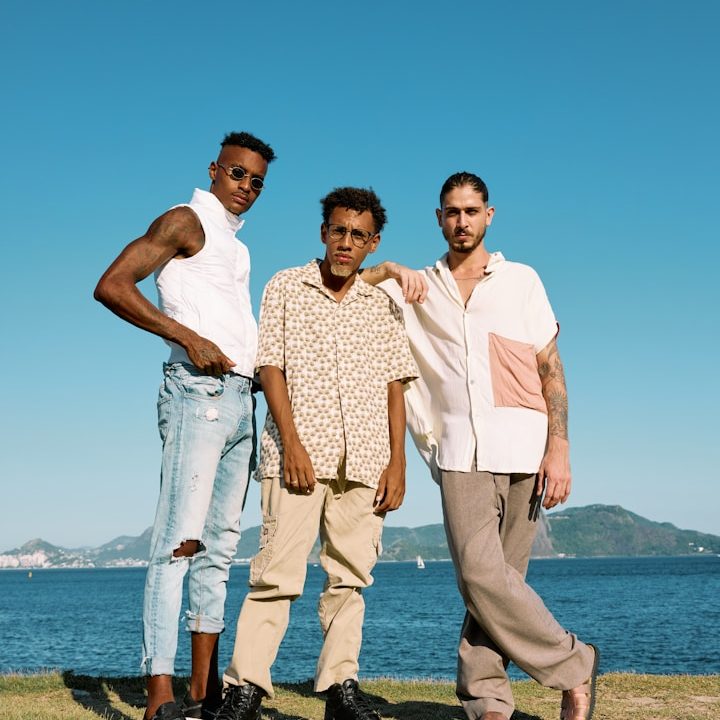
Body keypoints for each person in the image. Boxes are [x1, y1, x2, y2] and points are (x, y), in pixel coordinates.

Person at [378, 172, 599, 720]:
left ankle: (487, 699)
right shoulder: (419, 286)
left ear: (489, 215)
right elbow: (348, 283)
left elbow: (550, 367)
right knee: (480, 576)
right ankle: (576, 664)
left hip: (526, 445)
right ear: (439, 218)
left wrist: (560, 448)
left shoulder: (522, 280)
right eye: (452, 212)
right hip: (458, 451)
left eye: (471, 211)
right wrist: (388, 269)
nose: (462, 221)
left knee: (503, 583)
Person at [216, 187, 418, 720]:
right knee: (275, 575)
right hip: (297, 458)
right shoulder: (286, 285)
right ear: (324, 232)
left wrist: (397, 462)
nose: (346, 242)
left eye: (358, 235)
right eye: (339, 230)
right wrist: (292, 444)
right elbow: (270, 367)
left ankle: (340, 688)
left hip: (366, 460)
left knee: (349, 579)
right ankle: (245, 688)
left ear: (373, 243)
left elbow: (396, 386)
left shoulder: (382, 306)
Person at [93, 131, 276, 720]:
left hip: (241, 400)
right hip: (197, 394)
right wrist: (188, 338)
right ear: (214, 169)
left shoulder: (236, 246)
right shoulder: (185, 220)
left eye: (256, 181)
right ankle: (159, 698)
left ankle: (203, 693)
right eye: (237, 173)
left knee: (218, 551)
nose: (246, 186)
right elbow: (111, 285)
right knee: (177, 546)